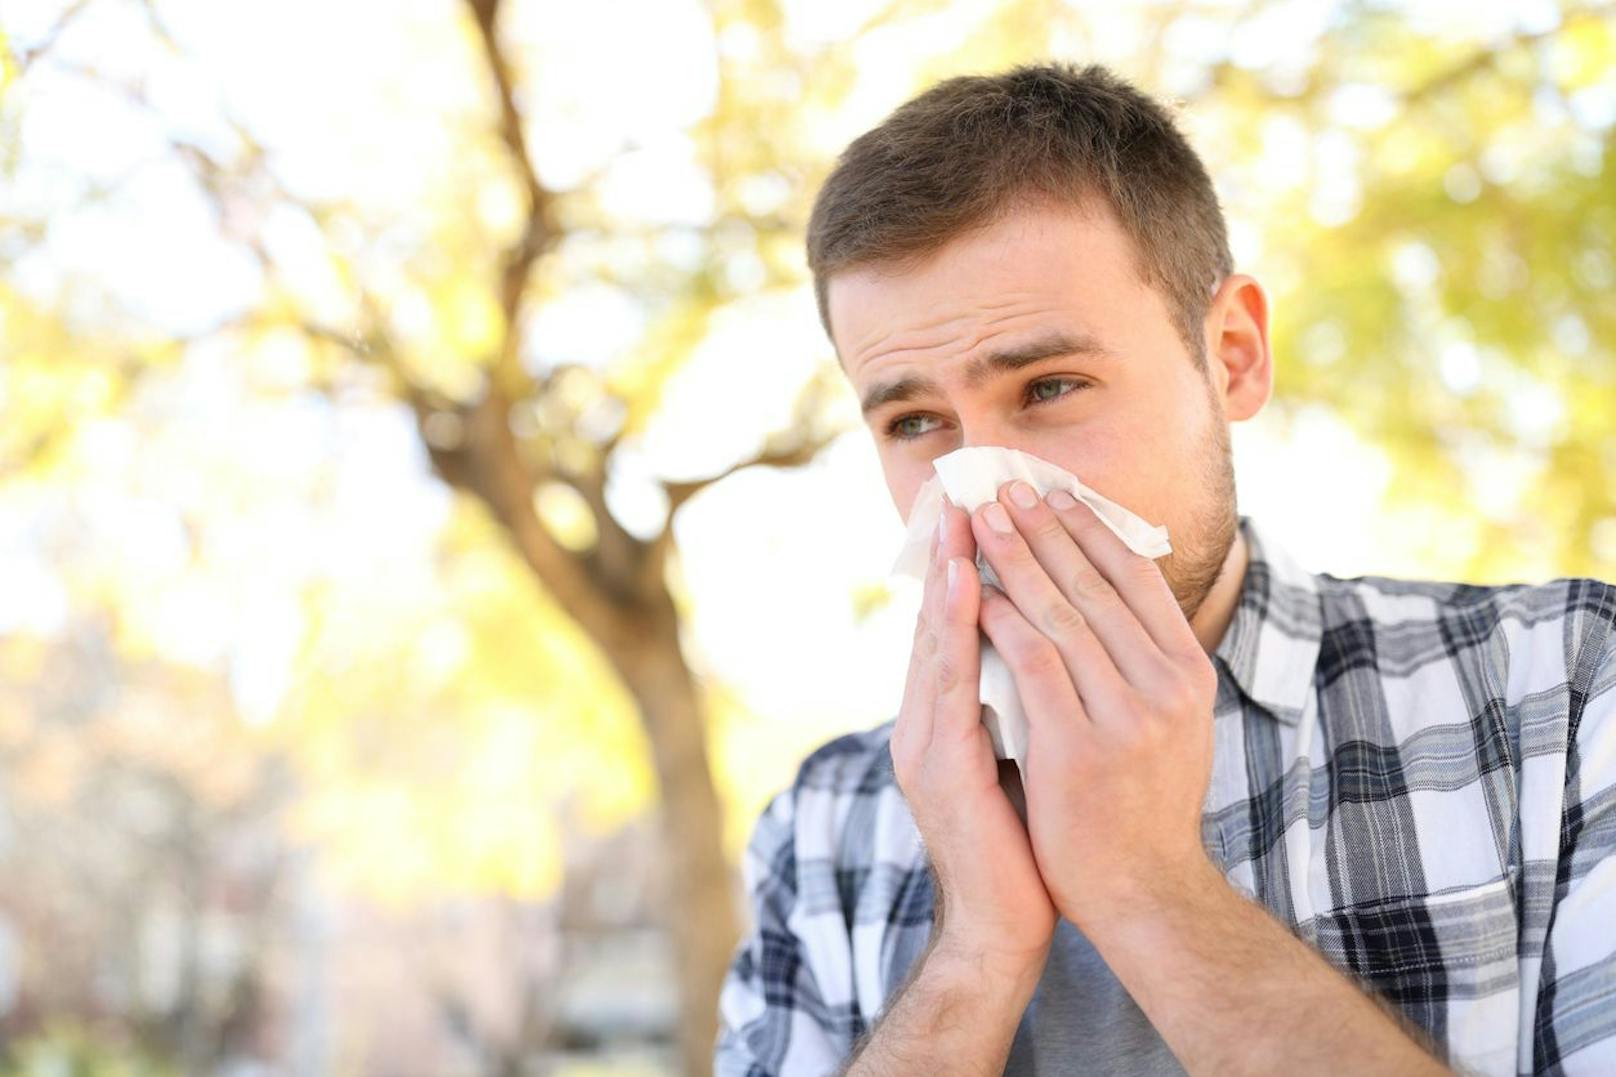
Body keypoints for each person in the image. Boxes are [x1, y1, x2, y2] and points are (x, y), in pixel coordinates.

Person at [713, 61, 1616, 1076]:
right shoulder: (826, 820)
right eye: (914, 421)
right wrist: (970, 954)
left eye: (1048, 385)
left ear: (1229, 355)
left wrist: (1146, 889)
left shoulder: (1564, 692)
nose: (981, 491)